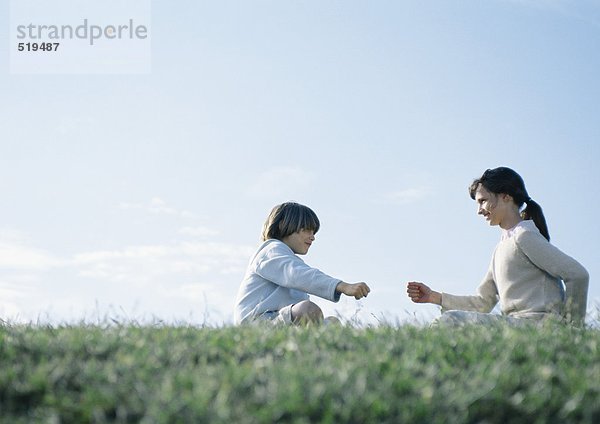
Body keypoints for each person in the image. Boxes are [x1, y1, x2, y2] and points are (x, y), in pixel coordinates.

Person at [407, 167, 589, 325]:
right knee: (450, 322)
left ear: (505, 197)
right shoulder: (501, 247)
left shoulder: (525, 236)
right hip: (513, 326)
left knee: (449, 321)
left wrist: (572, 329)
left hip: (536, 326)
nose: (479, 210)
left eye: (482, 201)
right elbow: (483, 302)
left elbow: (577, 274)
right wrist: (434, 297)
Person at [234, 202, 371, 325]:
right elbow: (296, 273)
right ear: (283, 225)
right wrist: (342, 286)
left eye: (314, 231)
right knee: (308, 309)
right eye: (306, 229)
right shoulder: (270, 250)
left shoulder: (289, 258)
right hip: (256, 323)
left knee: (332, 323)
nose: (313, 237)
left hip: (279, 321)